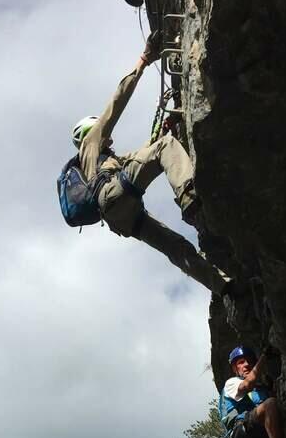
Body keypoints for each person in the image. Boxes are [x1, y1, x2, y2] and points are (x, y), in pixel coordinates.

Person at [71, 37, 229, 295]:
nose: (108, 135)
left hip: (118, 217)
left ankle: (223, 286)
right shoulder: (92, 141)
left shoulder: (98, 162)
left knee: (175, 247)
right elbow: (117, 102)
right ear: (90, 129)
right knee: (166, 146)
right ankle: (188, 195)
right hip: (114, 193)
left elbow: (141, 157)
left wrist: (160, 130)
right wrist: (142, 62)